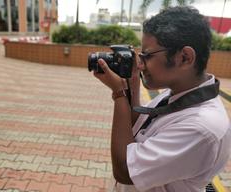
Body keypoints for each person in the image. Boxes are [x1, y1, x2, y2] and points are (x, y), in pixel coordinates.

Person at [93, 6, 231, 192]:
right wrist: (132, 84)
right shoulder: (178, 92)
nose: (140, 64)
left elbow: (125, 170)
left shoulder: (202, 129)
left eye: (147, 55)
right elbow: (136, 126)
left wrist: (118, 93)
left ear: (185, 58)